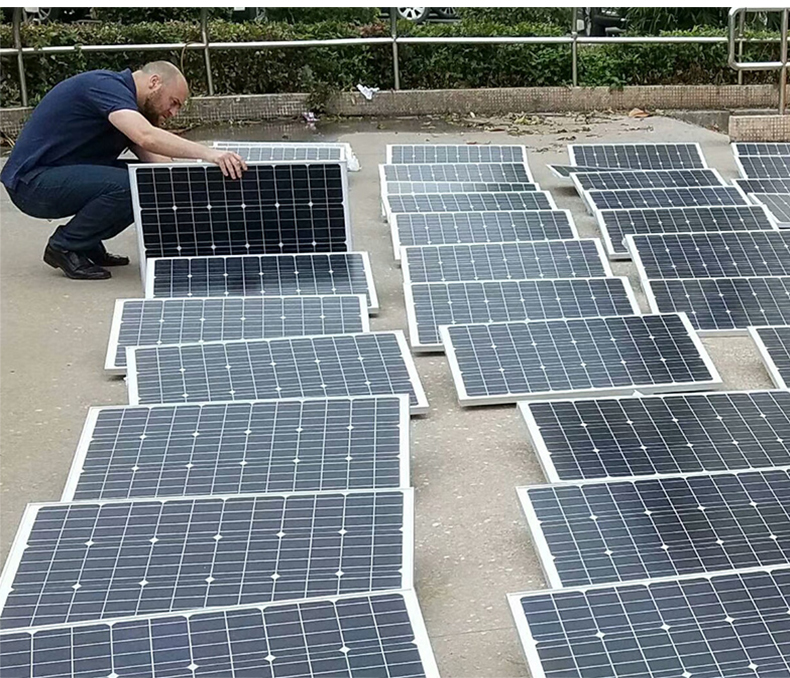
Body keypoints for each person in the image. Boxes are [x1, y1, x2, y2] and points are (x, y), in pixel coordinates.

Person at [1, 61, 248, 280]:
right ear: (154, 82)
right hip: (31, 183)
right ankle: (65, 246)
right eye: (174, 103)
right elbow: (146, 136)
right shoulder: (106, 87)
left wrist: (195, 192)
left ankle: (86, 242)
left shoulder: (128, 107)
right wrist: (209, 154)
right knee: (130, 186)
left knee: (147, 181)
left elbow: (159, 164)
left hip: (59, 175)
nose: (173, 113)